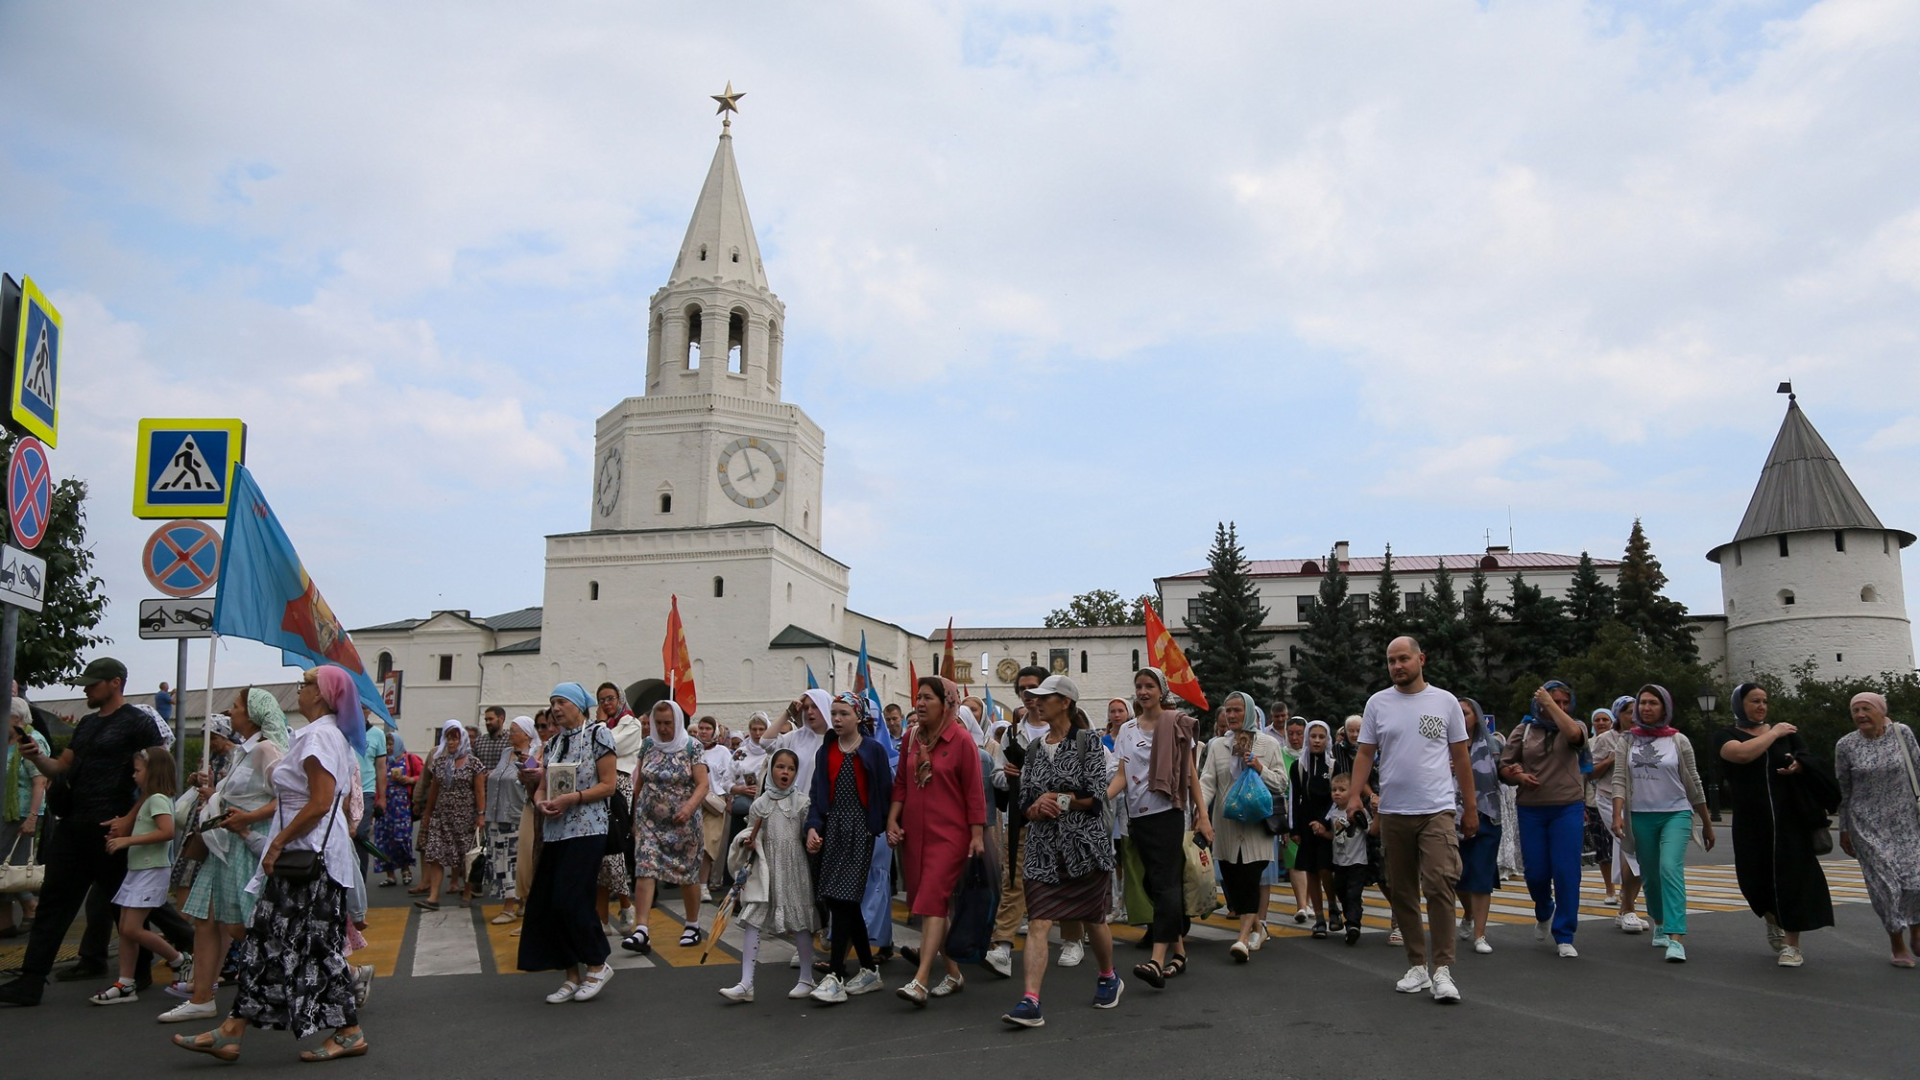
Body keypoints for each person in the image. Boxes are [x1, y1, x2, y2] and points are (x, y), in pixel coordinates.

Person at [171, 665, 370, 1062]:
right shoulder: (324, 735)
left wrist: (276, 843)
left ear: (324, 694)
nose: (300, 689)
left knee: (313, 947)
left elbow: (319, 802)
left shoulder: (318, 736)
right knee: (266, 942)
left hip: (307, 859)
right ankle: (231, 1030)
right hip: (309, 856)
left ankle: (349, 1030)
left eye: (307, 684)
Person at [2, 657, 193, 1007]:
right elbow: (61, 767)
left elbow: (159, 778)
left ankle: (144, 970)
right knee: (55, 904)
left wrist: (131, 818)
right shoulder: (88, 723)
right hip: (74, 827)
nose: (86, 689)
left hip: (111, 830)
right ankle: (30, 981)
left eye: (93, 683)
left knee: (127, 906)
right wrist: (35, 758)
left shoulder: (138, 722)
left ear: (115, 683)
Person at [1346, 636, 1474, 1004]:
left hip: (1436, 809)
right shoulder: (1377, 703)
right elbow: (1366, 753)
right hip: (1393, 812)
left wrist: (1470, 808)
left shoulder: (1445, 701)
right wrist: (1355, 794)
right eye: (1391, 661)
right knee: (1402, 891)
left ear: (1421, 659)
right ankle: (1417, 965)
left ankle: (1443, 969)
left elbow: (1461, 758)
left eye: (1403, 659)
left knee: (1438, 883)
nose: (1397, 666)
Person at [999, 675, 1121, 1028]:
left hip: (1084, 849)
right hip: (1043, 852)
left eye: (1045, 697)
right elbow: (1022, 800)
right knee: (1038, 922)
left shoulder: (1089, 742)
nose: (1037, 702)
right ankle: (1031, 1001)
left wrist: (1060, 800)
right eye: (1034, 697)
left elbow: (1097, 796)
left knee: (1094, 920)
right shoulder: (1035, 749)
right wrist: (1035, 807)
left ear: (1065, 701)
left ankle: (1108, 976)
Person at [162, 688, 288, 1023]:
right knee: (207, 921)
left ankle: (332, 974)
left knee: (242, 928)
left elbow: (289, 799)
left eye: (235, 707)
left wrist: (247, 818)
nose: (230, 712)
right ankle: (202, 997)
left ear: (253, 714)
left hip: (246, 847)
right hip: (223, 845)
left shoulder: (265, 750)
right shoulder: (242, 753)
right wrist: (216, 795)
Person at [1714, 683, 1834, 967]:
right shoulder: (1726, 735)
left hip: (1789, 819)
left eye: (1765, 701)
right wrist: (1774, 733)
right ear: (1739, 704)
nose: (1761, 706)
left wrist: (1799, 765)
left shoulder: (1788, 733)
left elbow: (1811, 760)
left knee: (1794, 879)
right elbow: (1741, 754)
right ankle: (1773, 918)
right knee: (1753, 880)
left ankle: (1792, 945)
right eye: (1755, 701)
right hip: (1750, 822)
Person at [889, 676, 987, 1006]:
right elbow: (902, 782)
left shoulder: (961, 740)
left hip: (950, 835)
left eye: (928, 698)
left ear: (947, 703)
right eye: (918, 697)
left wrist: (976, 836)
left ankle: (920, 980)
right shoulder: (911, 738)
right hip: (915, 835)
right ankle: (955, 973)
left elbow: (975, 792)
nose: (919, 703)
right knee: (934, 906)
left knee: (932, 899)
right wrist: (893, 818)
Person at [1110, 667, 1210, 990]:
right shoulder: (1126, 730)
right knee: (1153, 885)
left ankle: (1157, 960)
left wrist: (1203, 815)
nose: (1143, 691)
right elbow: (1122, 776)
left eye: (1149, 686)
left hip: (1168, 812)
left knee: (1166, 884)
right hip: (1137, 818)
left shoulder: (1176, 723)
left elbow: (1192, 774)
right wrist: (1101, 798)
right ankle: (1179, 953)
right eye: (1138, 686)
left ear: (1161, 690)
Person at [517, 682, 618, 1003]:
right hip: (556, 830)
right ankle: (570, 974)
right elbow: (543, 785)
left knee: (570, 898)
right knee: (548, 901)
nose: (555, 709)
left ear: (577, 705)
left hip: (588, 829)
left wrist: (573, 798)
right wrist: (539, 801)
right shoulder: (555, 742)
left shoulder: (598, 735)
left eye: (561, 702)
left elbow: (609, 785)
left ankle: (598, 963)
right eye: (552, 703)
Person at [1609, 684, 1713, 963]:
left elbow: (1694, 783)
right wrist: (1617, 815)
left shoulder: (1678, 740)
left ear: (1665, 707)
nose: (1646, 708)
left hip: (1676, 813)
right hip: (1640, 816)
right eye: (1642, 703)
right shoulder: (1627, 741)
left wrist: (1706, 821)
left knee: (1669, 869)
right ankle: (1659, 921)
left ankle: (1676, 937)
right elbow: (1619, 779)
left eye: (1653, 703)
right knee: (1651, 877)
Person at [805, 693, 893, 1003]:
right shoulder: (827, 749)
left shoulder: (873, 750)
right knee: (842, 899)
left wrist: (882, 826)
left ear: (858, 717)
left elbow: (886, 792)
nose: (838, 719)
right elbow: (818, 793)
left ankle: (836, 974)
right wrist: (814, 826)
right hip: (833, 828)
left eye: (844, 713)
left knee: (843, 895)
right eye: (834, 713)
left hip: (860, 830)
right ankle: (868, 969)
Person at [720, 748, 820, 1002]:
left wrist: (813, 840)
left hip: (794, 869)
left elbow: (806, 834)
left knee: (800, 922)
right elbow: (754, 837)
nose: (785, 772)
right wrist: (750, 843)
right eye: (780, 767)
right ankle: (746, 984)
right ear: (771, 769)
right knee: (753, 920)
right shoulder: (760, 804)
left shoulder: (802, 802)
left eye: (791, 768)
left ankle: (807, 978)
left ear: (796, 773)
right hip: (765, 871)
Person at [1499, 681, 1588, 958]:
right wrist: (1517, 775)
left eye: (1565, 703)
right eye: (1554, 702)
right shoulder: (1524, 730)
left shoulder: (1576, 726)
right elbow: (1503, 767)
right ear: (1537, 706)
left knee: (1566, 872)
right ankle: (1543, 908)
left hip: (1567, 808)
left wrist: (1551, 705)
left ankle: (1565, 934)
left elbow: (1573, 735)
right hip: (1532, 809)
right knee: (1536, 872)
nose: (1561, 707)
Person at [91, 747, 186, 1004]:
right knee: (125, 929)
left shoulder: (157, 800)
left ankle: (180, 959)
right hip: (140, 869)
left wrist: (126, 841)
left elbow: (166, 831)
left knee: (131, 929)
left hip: (150, 869)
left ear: (152, 771)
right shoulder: (150, 800)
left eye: (137, 770)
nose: (133, 775)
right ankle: (126, 982)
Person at [1834, 691, 1920, 967]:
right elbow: (1844, 791)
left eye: (1866, 709)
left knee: (1915, 880)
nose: (1860, 714)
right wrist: (1844, 828)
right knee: (1885, 886)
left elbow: (1918, 770)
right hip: (1867, 825)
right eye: (1855, 710)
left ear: (1881, 711)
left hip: (1907, 820)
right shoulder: (1846, 745)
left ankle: (1916, 929)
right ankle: (1897, 943)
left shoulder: (1902, 734)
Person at [1200, 691, 1287, 960]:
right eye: (1228, 710)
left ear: (1249, 712)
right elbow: (1208, 781)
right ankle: (1258, 928)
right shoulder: (1217, 745)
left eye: (1237, 710)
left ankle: (1242, 939)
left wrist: (1260, 767)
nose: (1232, 715)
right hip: (1226, 827)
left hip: (1255, 828)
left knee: (1250, 879)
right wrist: (1200, 811)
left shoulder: (1268, 744)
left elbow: (1282, 783)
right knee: (1233, 882)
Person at [624, 701, 710, 953]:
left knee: (686, 873)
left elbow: (703, 784)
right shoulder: (648, 745)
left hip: (684, 825)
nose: (662, 728)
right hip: (650, 822)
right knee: (645, 868)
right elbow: (638, 782)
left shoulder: (692, 746)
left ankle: (692, 925)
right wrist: (634, 817)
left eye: (667, 723)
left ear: (677, 722)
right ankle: (641, 930)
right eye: (658, 723)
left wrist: (688, 807)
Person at [987, 664, 1052, 978]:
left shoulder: (1067, 726)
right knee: (1014, 878)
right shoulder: (1014, 732)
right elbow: (997, 775)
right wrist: (1008, 775)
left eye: (1033, 687)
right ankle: (1002, 946)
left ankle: (1071, 938)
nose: (1027, 694)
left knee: (1066, 877)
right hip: (1023, 817)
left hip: (1060, 818)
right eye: (1022, 688)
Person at [415, 719, 485, 911]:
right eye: (449, 738)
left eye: (455, 738)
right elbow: (434, 790)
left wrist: (480, 815)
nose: (452, 742)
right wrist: (427, 814)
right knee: (436, 854)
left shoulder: (474, 764)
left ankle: (467, 892)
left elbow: (479, 791)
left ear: (462, 739)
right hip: (442, 816)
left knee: (466, 856)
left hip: (465, 817)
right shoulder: (440, 763)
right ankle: (433, 896)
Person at [596, 683, 644, 936]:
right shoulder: (602, 726)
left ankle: (625, 904)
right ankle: (603, 917)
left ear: (620, 699)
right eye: (601, 699)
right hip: (599, 786)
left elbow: (607, 746)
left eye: (610, 698)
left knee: (613, 849)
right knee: (601, 854)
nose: (606, 703)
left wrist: (601, 725)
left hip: (619, 786)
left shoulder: (631, 724)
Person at [1595, 695, 1646, 932]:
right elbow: (1590, 773)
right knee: (1632, 849)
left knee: (1630, 852)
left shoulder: (1646, 737)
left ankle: (1625, 909)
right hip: (1609, 798)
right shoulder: (1605, 739)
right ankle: (1628, 910)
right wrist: (1611, 759)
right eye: (1628, 711)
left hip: (1639, 801)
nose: (1634, 715)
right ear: (1619, 715)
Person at [1453, 697, 1500, 955]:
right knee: (1456, 876)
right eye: (1457, 713)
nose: (1462, 717)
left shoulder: (1493, 745)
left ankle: (1480, 934)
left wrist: (1515, 772)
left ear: (1477, 717)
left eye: (1466, 713)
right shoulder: (1441, 746)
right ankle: (1468, 912)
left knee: (1481, 875)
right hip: (1450, 817)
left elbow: (1503, 772)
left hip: (1487, 815)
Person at [1, 697, 50, 938]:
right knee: (6, 867)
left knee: (13, 868)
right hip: (6, 812)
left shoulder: (32, 740)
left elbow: (40, 782)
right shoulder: (7, 740)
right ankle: (5, 921)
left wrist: (32, 817)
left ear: (17, 718)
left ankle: (30, 904)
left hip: (20, 813)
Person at [484, 716, 537, 925]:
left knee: (513, 862)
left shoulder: (533, 755)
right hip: (497, 815)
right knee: (500, 860)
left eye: (514, 731)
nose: (510, 734)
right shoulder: (505, 753)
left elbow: (534, 777)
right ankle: (520, 903)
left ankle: (509, 907)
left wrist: (528, 762)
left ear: (526, 734)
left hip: (517, 816)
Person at [1326, 773, 1371, 945]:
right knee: (1341, 890)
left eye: (1342, 790)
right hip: (1339, 861)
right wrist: (1323, 832)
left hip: (1357, 861)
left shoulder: (1358, 810)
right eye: (1334, 790)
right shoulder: (1333, 813)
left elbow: (1370, 830)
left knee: (1353, 893)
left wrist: (1361, 820)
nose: (1337, 793)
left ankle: (1353, 925)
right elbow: (1334, 835)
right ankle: (1351, 916)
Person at [1276, 716, 1310, 921]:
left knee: (1312, 861)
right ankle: (1302, 906)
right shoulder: (1280, 756)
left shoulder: (1313, 756)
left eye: (1299, 734)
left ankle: (1313, 902)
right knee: (1294, 861)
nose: (1295, 738)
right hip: (1289, 815)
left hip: (1311, 813)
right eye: (1291, 734)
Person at [375, 746, 420, 888]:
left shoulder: (409, 759)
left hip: (402, 805)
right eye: (386, 744)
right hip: (384, 806)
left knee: (402, 838)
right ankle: (390, 875)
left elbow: (424, 775)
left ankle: (405, 870)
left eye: (391, 743)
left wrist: (410, 779)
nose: (388, 747)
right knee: (385, 840)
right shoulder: (382, 761)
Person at [1586, 708, 1617, 902]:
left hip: (1619, 801)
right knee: (1603, 848)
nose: (1601, 723)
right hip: (1593, 802)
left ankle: (1626, 889)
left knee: (1623, 847)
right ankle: (1610, 890)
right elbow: (1583, 775)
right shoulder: (1587, 745)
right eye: (1597, 720)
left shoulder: (1621, 741)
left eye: (1605, 719)